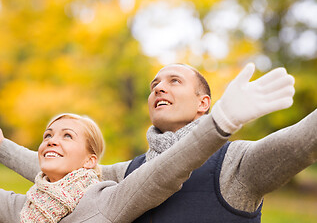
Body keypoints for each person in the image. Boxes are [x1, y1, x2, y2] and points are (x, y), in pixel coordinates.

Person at [1, 63, 315, 222]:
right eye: (154, 85)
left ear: (203, 102)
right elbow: (63, 167)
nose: (159, 88)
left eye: (174, 81)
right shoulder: (129, 172)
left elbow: (302, 142)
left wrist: (226, 120)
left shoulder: (236, 164)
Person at [1, 111, 229, 223]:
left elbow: (162, 172)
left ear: (89, 160)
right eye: (47, 135)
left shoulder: (104, 201)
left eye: (67, 136)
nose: (51, 140)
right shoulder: (23, 207)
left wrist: (221, 123)